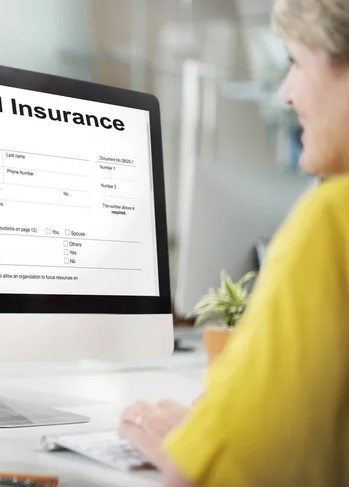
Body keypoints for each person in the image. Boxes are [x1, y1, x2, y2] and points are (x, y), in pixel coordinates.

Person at [118, 0, 349, 485]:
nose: (286, 93)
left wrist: (190, 443)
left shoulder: (332, 219)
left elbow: (233, 470)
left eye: (295, 62)